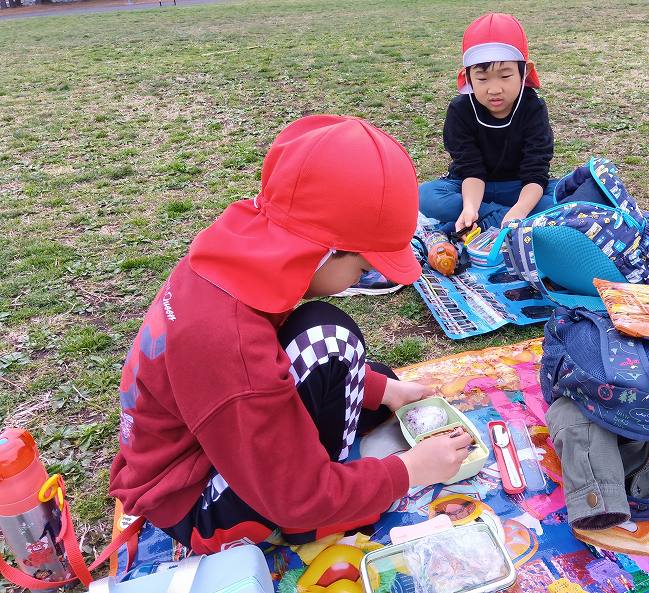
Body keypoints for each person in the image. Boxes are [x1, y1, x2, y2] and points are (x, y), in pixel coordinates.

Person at [109, 115, 474, 553]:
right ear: (325, 252)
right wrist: (410, 470)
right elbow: (296, 496)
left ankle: (340, 463)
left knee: (362, 374)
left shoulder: (240, 256)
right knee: (334, 344)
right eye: (361, 267)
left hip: (204, 445)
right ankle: (325, 513)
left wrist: (382, 390)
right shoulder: (232, 349)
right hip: (196, 504)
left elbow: (263, 373)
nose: (362, 276)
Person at [419, 13, 556, 232]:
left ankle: (493, 220)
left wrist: (519, 209)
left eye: (505, 76)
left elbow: (536, 171)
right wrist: (471, 208)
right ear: (468, 76)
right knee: (426, 197)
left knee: (562, 197)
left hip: (519, 187)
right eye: (482, 78)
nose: (494, 89)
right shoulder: (460, 110)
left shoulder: (533, 108)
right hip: (470, 188)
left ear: (525, 72)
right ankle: (502, 219)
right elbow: (471, 169)